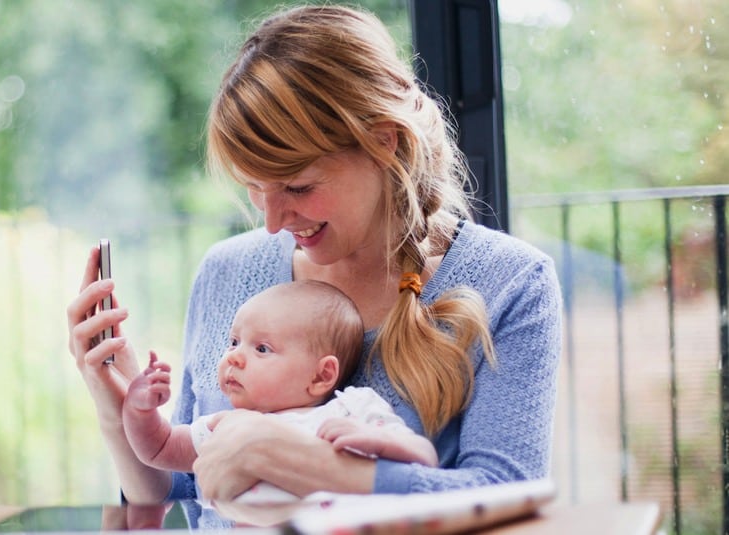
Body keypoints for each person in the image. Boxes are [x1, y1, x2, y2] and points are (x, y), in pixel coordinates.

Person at [66, 4, 561, 506]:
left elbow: (506, 492)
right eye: (255, 188)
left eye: (297, 187)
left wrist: (289, 458)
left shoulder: (510, 283)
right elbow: (182, 486)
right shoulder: (227, 271)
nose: (273, 222)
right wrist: (116, 405)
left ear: (383, 143)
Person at [122, 280, 438, 504]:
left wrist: (376, 440)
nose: (233, 356)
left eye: (262, 348)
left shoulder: (351, 409)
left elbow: (424, 459)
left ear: (321, 375)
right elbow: (159, 450)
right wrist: (140, 410)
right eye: (234, 342)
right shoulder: (230, 427)